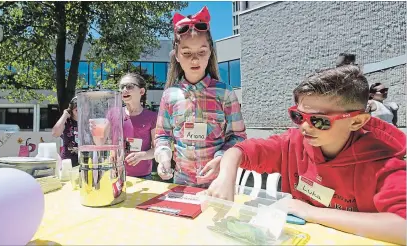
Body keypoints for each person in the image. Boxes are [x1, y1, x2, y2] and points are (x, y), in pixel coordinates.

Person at [205, 65, 406, 245]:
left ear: (356, 122)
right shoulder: (294, 143)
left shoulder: (384, 164)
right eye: (298, 116)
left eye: (319, 120)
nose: (304, 127)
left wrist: (311, 212)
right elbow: (242, 150)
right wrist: (226, 174)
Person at [154, 6, 247, 188]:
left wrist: (221, 158)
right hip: (181, 182)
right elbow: (162, 135)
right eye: (187, 53)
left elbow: (239, 137)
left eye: (202, 52)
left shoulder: (225, 93)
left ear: (211, 51)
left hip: (219, 181)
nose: (195, 60)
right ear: (177, 56)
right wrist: (163, 156)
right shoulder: (169, 96)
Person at [119, 73, 158, 180]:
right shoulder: (113, 114)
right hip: (117, 174)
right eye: (122, 87)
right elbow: (104, 144)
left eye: (129, 86)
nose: (124, 90)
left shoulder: (152, 117)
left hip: (144, 177)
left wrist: (142, 156)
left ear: (141, 91)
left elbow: (157, 149)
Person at [52, 97, 79, 167]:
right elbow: (55, 133)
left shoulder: (87, 123)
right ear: (72, 108)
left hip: (84, 162)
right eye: (77, 105)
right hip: (67, 163)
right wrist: (64, 115)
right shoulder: (67, 121)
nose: (80, 108)